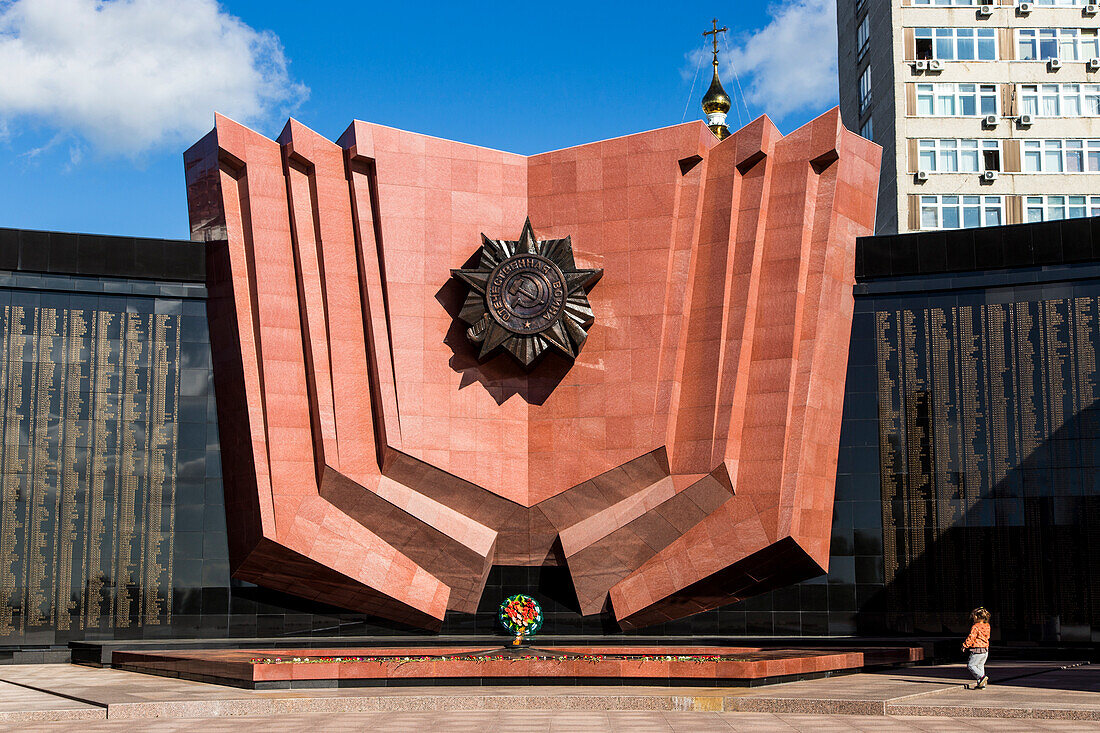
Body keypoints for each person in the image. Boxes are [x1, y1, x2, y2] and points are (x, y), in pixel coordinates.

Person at [962, 607, 991, 689]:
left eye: (974, 616)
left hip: (977, 649)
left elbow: (972, 637)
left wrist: (965, 645)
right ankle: (981, 685)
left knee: (971, 665)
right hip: (985, 650)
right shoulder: (987, 626)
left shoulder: (976, 626)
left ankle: (981, 678)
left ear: (978, 617)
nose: (973, 618)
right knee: (980, 666)